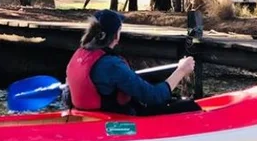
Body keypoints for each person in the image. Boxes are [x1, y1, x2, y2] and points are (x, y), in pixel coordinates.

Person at [65, 10, 198, 115]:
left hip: (89, 117)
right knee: (190, 106)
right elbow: (153, 96)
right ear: (116, 36)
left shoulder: (78, 56)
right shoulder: (112, 65)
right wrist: (181, 70)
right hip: (114, 122)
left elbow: (67, 97)